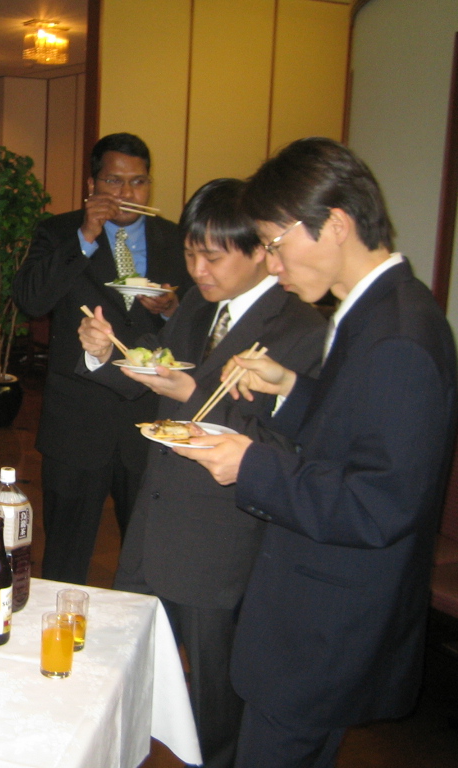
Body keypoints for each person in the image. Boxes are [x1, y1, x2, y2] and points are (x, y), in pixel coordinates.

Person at [176, 138, 457, 768]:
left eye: (275, 243)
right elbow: (355, 431)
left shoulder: (400, 337)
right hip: (313, 613)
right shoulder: (375, 311)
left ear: (334, 224)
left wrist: (250, 464)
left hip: (326, 627)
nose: (272, 264)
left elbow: (379, 504)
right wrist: (291, 389)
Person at [77, 178, 325, 768]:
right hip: (154, 523)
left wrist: (188, 393)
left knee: (215, 708)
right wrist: (107, 353)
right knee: (123, 676)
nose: (198, 270)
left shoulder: (302, 329)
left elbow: (289, 448)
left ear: (261, 250)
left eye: (212, 257)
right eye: (191, 254)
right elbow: (161, 368)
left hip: (222, 543)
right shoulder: (198, 303)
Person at [12, 132, 191, 585]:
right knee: (65, 561)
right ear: (92, 185)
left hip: (151, 421)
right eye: (114, 181)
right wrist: (86, 237)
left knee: (149, 559)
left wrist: (171, 308)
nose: (127, 192)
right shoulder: (59, 232)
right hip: (78, 423)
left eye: (138, 182)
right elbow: (31, 300)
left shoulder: (174, 239)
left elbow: (200, 321)